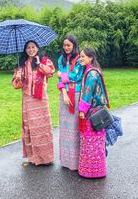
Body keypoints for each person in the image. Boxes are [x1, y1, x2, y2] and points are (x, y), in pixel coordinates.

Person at [12, 40, 55, 166]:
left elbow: (51, 72)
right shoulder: (22, 65)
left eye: (33, 47)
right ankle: (33, 157)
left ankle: (46, 158)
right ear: (25, 50)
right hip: (28, 99)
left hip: (41, 98)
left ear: (37, 48)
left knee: (43, 128)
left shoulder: (44, 60)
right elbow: (16, 85)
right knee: (31, 128)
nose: (31, 49)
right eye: (28, 48)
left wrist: (39, 64)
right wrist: (18, 78)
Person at [78, 47, 108, 178]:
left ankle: (89, 172)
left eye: (83, 56)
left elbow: (87, 93)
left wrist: (82, 111)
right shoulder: (93, 71)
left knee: (89, 141)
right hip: (99, 112)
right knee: (97, 141)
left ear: (90, 58)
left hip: (92, 113)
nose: (81, 58)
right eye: (80, 56)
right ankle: (98, 170)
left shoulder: (91, 74)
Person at [57, 35, 85, 171]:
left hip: (76, 94)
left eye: (69, 45)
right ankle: (66, 161)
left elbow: (77, 76)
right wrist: (64, 93)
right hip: (64, 95)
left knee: (74, 127)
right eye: (64, 45)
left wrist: (61, 75)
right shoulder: (61, 59)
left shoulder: (79, 59)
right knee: (64, 127)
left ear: (74, 45)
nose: (66, 47)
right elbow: (61, 82)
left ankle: (76, 162)